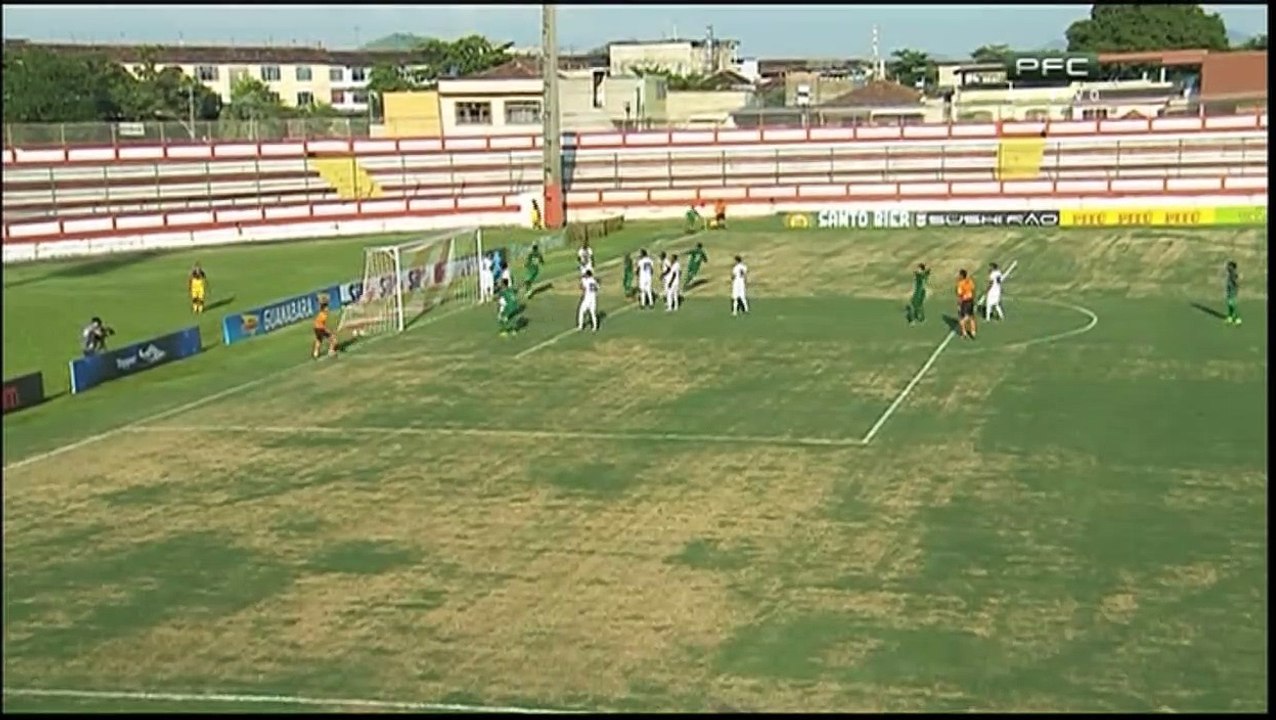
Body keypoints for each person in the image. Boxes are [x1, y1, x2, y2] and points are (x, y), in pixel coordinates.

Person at [956, 269, 977, 340]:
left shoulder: (960, 283)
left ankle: (964, 333)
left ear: (962, 275)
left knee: (961, 319)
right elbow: (973, 290)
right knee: (972, 317)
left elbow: (960, 295)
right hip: (970, 300)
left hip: (964, 302)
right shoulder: (970, 281)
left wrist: (959, 304)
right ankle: (973, 332)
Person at [1225, 260, 1242, 325]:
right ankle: (1230, 317)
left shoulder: (1233, 274)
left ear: (1232, 267)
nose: (1227, 267)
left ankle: (1237, 318)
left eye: (1229, 266)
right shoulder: (1230, 274)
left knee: (1233, 305)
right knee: (1230, 305)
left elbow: (1236, 282)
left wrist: (1235, 289)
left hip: (1233, 292)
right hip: (1230, 291)